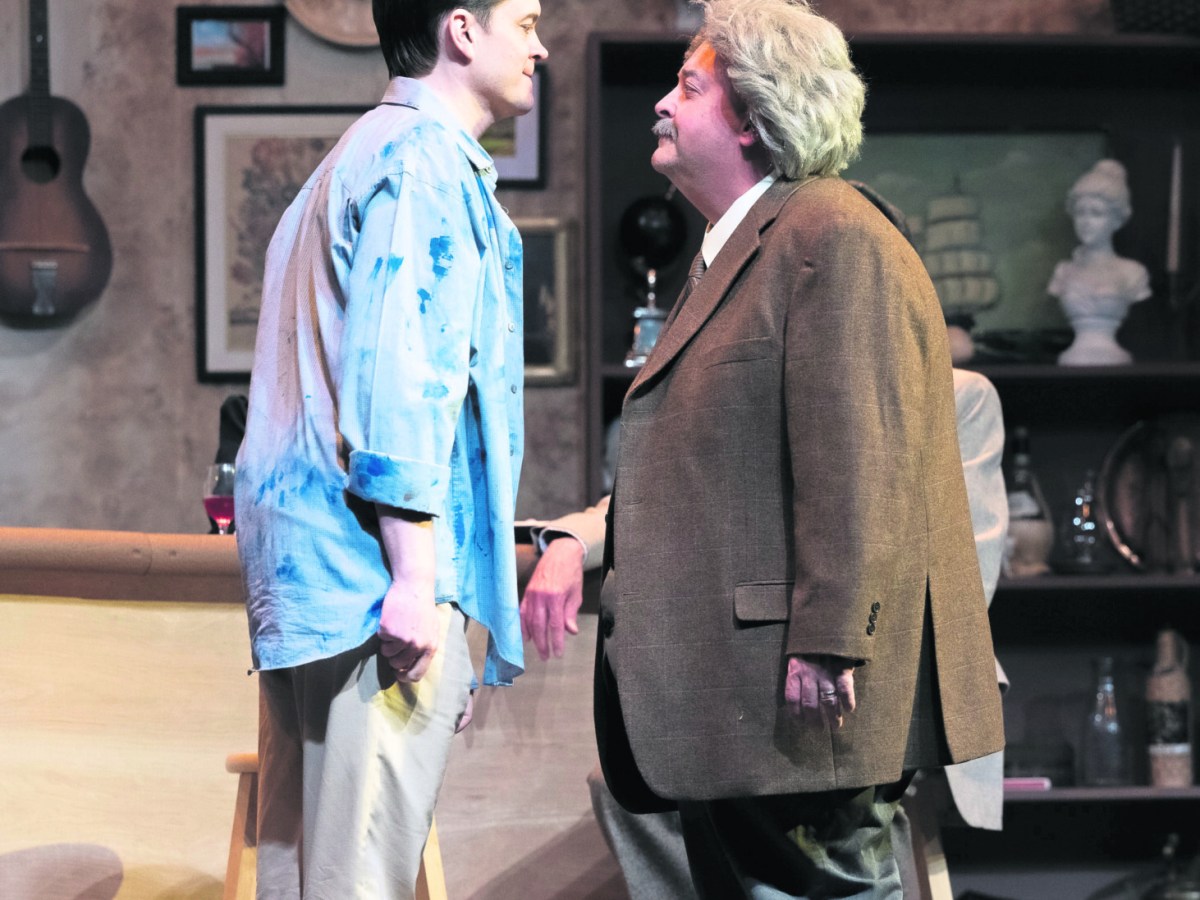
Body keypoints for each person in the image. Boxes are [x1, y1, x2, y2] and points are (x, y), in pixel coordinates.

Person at [591, 1, 1005, 895]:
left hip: (798, 694)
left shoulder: (831, 234)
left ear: (752, 116)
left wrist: (828, 639)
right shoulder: (746, 245)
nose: (661, 105)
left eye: (687, 87)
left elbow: (860, 456)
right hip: (739, 693)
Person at [233, 1, 547, 896]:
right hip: (371, 581)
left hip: (317, 582)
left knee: (308, 875)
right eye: (526, 22)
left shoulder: (358, 154)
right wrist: (417, 578)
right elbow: (402, 375)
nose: (540, 46)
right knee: (356, 878)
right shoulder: (421, 162)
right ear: (463, 30)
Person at [521, 365, 1008, 899]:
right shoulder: (766, 377)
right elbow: (657, 495)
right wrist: (569, 542)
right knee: (639, 781)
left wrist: (837, 640)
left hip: (891, 666)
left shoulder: (957, 392)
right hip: (760, 660)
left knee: (822, 806)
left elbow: (965, 575)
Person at [1049, 158, 1150, 366]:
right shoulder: (1064, 271)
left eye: (1096, 213)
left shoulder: (1133, 272)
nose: (1086, 222)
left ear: (1116, 220)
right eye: (1080, 213)